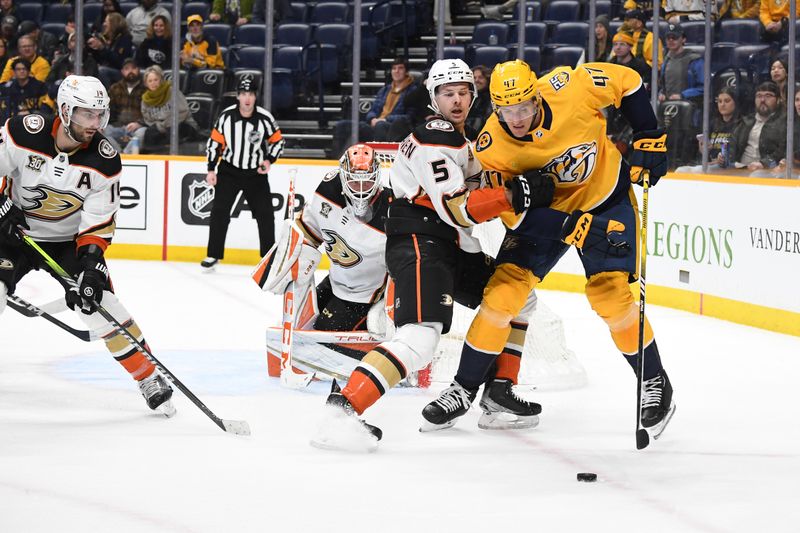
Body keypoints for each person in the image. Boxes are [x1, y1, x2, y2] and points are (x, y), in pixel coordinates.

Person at [423, 59, 676, 443]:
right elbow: (514, 216)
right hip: (542, 219)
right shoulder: (492, 146)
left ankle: (654, 380)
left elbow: (629, 81)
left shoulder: (571, 87)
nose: (517, 118)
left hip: (605, 199)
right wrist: (568, 227)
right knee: (501, 296)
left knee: (611, 297)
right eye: (507, 111)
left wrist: (648, 132)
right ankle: (463, 388)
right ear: (495, 108)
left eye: (523, 108)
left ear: (536, 97)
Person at [313, 59, 549, 448]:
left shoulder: (460, 139)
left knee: (519, 299)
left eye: (463, 92)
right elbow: (456, 206)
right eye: (447, 93)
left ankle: (499, 391)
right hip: (422, 242)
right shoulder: (435, 134)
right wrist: (515, 194)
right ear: (433, 98)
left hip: (453, 244)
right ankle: (342, 410)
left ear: (473, 95)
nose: (457, 100)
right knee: (420, 337)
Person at [0, 74, 175, 416]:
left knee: (102, 304)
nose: (95, 123)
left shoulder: (104, 160)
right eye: (86, 114)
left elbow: (97, 222)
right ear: (65, 111)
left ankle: (148, 376)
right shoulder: (24, 132)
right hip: (12, 235)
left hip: (68, 242)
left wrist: (92, 265)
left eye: (100, 115)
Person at [202, 78, 284, 271]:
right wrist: (211, 169)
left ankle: (268, 257)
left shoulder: (264, 118)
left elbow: (278, 141)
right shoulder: (226, 117)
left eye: (251, 94)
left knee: (265, 214)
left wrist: (269, 160)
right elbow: (214, 144)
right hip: (229, 171)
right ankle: (213, 254)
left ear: (255, 97)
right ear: (238, 96)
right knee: (219, 213)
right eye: (244, 94)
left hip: (255, 173)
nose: (247, 98)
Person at [331, 57, 415, 156]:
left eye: (400, 68)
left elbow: (410, 117)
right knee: (343, 125)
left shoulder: (412, 91)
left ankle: (377, 159)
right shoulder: (384, 90)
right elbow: (373, 110)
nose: (396, 71)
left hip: (393, 128)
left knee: (380, 125)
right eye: (394, 68)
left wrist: (386, 119)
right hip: (376, 124)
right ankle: (336, 159)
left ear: (406, 72)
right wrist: (372, 118)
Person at [135, 65, 198, 154]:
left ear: (161, 80)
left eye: (156, 80)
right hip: (160, 128)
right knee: (149, 133)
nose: (153, 83)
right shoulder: (145, 100)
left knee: (173, 131)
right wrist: (160, 126)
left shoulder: (172, 91)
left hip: (181, 124)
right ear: (146, 83)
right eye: (150, 81)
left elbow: (183, 112)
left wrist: (163, 125)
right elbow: (148, 119)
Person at [730, 81, 786, 171]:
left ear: (778, 100)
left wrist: (764, 164)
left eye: (768, 96)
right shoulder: (746, 121)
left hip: (768, 170)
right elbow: (732, 145)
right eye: (759, 96)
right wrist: (724, 156)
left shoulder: (785, 122)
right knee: (699, 169)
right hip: (741, 168)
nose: (762, 100)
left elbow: (784, 151)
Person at [103, 58, 146, 153]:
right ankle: (118, 155)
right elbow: (106, 110)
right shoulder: (115, 88)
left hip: (137, 128)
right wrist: (115, 125)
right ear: (122, 72)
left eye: (133, 68)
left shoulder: (146, 89)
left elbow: (150, 113)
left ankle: (126, 156)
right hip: (117, 128)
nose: (130, 71)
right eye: (127, 69)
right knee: (101, 132)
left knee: (143, 133)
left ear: (138, 70)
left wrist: (139, 123)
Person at [0, 58, 54, 122]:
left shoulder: (40, 87)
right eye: (18, 69)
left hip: (36, 120)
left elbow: (46, 109)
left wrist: (31, 112)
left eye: (24, 69)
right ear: (14, 72)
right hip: (14, 122)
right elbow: (5, 111)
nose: (21, 71)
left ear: (29, 71)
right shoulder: (8, 88)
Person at [466, 64, 492, 138]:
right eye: (474, 78)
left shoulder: (492, 98)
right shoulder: (469, 96)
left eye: (480, 77)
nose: (477, 80)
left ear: (487, 79)